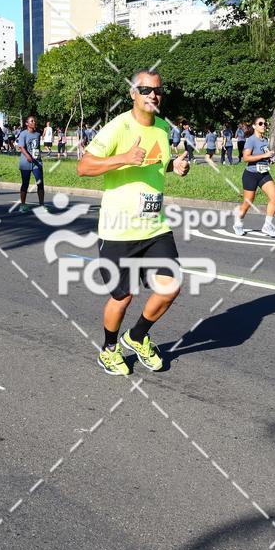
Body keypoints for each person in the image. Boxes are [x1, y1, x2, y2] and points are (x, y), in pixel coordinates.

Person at [77, 69, 190, 375]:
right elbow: (84, 167)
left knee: (170, 287)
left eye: (157, 90)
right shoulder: (117, 127)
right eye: (145, 90)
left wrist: (174, 165)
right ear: (133, 94)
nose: (152, 95)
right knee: (123, 296)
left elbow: (156, 162)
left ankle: (137, 336)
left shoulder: (164, 128)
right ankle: (109, 349)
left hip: (155, 226)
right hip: (118, 229)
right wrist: (123, 157)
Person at [233, 116, 275, 238]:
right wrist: (264, 155)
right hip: (251, 174)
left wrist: (270, 158)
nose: (264, 125)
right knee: (248, 202)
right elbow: (246, 158)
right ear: (254, 126)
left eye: (265, 123)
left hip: (263, 173)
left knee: (274, 196)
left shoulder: (265, 140)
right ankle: (238, 223)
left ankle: (267, 226)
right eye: (260, 123)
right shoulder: (251, 140)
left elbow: (265, 155)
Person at [16, 116, 44, 212]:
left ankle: (41, 205)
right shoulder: (23, 134)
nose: (34, 122)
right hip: (25, 163)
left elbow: (37, 147)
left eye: (34, 120)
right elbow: (21, 147)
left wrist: (39, 156)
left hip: (37, 162)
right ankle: (23, 205)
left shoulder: (37, 134)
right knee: (25, 184)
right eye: (31, 121)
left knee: (40, 183)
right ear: (27, 123)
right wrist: (27, 156)